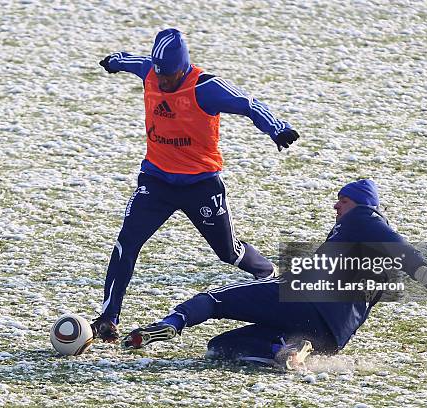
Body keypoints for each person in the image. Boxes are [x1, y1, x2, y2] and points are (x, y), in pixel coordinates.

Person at [91, 28, 300, 342]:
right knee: (126, 244)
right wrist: (113, 61)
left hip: (201, 185)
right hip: (155, 181)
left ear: (183, 67)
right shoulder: (151, 71)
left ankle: (265, 271)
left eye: (170, 77)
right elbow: (129, 61)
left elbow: (248, 104)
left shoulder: (206, 88)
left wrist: (277, 129)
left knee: (228, 251)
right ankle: (108, 319)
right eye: (159, 75)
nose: (162, 82)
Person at [120, 180, 427, 370]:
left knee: (215, 298)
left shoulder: (364, 219)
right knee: (220, 348)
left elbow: (400, 248)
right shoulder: (363, 245)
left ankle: (169, 324)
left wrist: (425, 272)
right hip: (331, 337)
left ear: (361, 204)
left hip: (307, 302)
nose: (336, 207)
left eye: (342, 200)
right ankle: (289, 348)